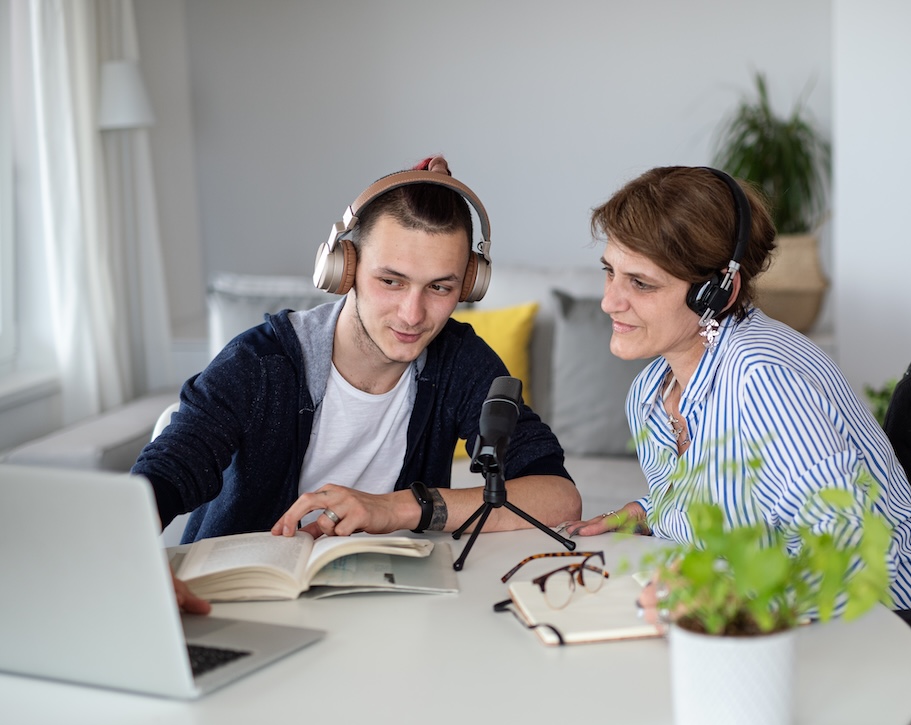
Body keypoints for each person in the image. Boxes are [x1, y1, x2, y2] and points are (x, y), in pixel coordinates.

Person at [560, 165, 911, 664]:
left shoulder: (763, 379)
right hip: (791, 633)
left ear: (718, 292)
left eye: (641, 283)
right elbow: (738, 508)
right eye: (609, 271)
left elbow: (849, 551)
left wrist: (723, 600)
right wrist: (647, 513)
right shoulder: (652, 393)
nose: (609, 301)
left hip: (899, 641)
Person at [134, 156, 581, 614]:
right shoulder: (261, 362)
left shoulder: (460, 362)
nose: (413, 314)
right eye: (391, 281)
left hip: (386, 612)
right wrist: (133, 559)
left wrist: (398, 508)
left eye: (440, 288)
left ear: (468, 284)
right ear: (344, 269)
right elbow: (165, 472)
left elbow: (558, 498)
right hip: (237, 607)